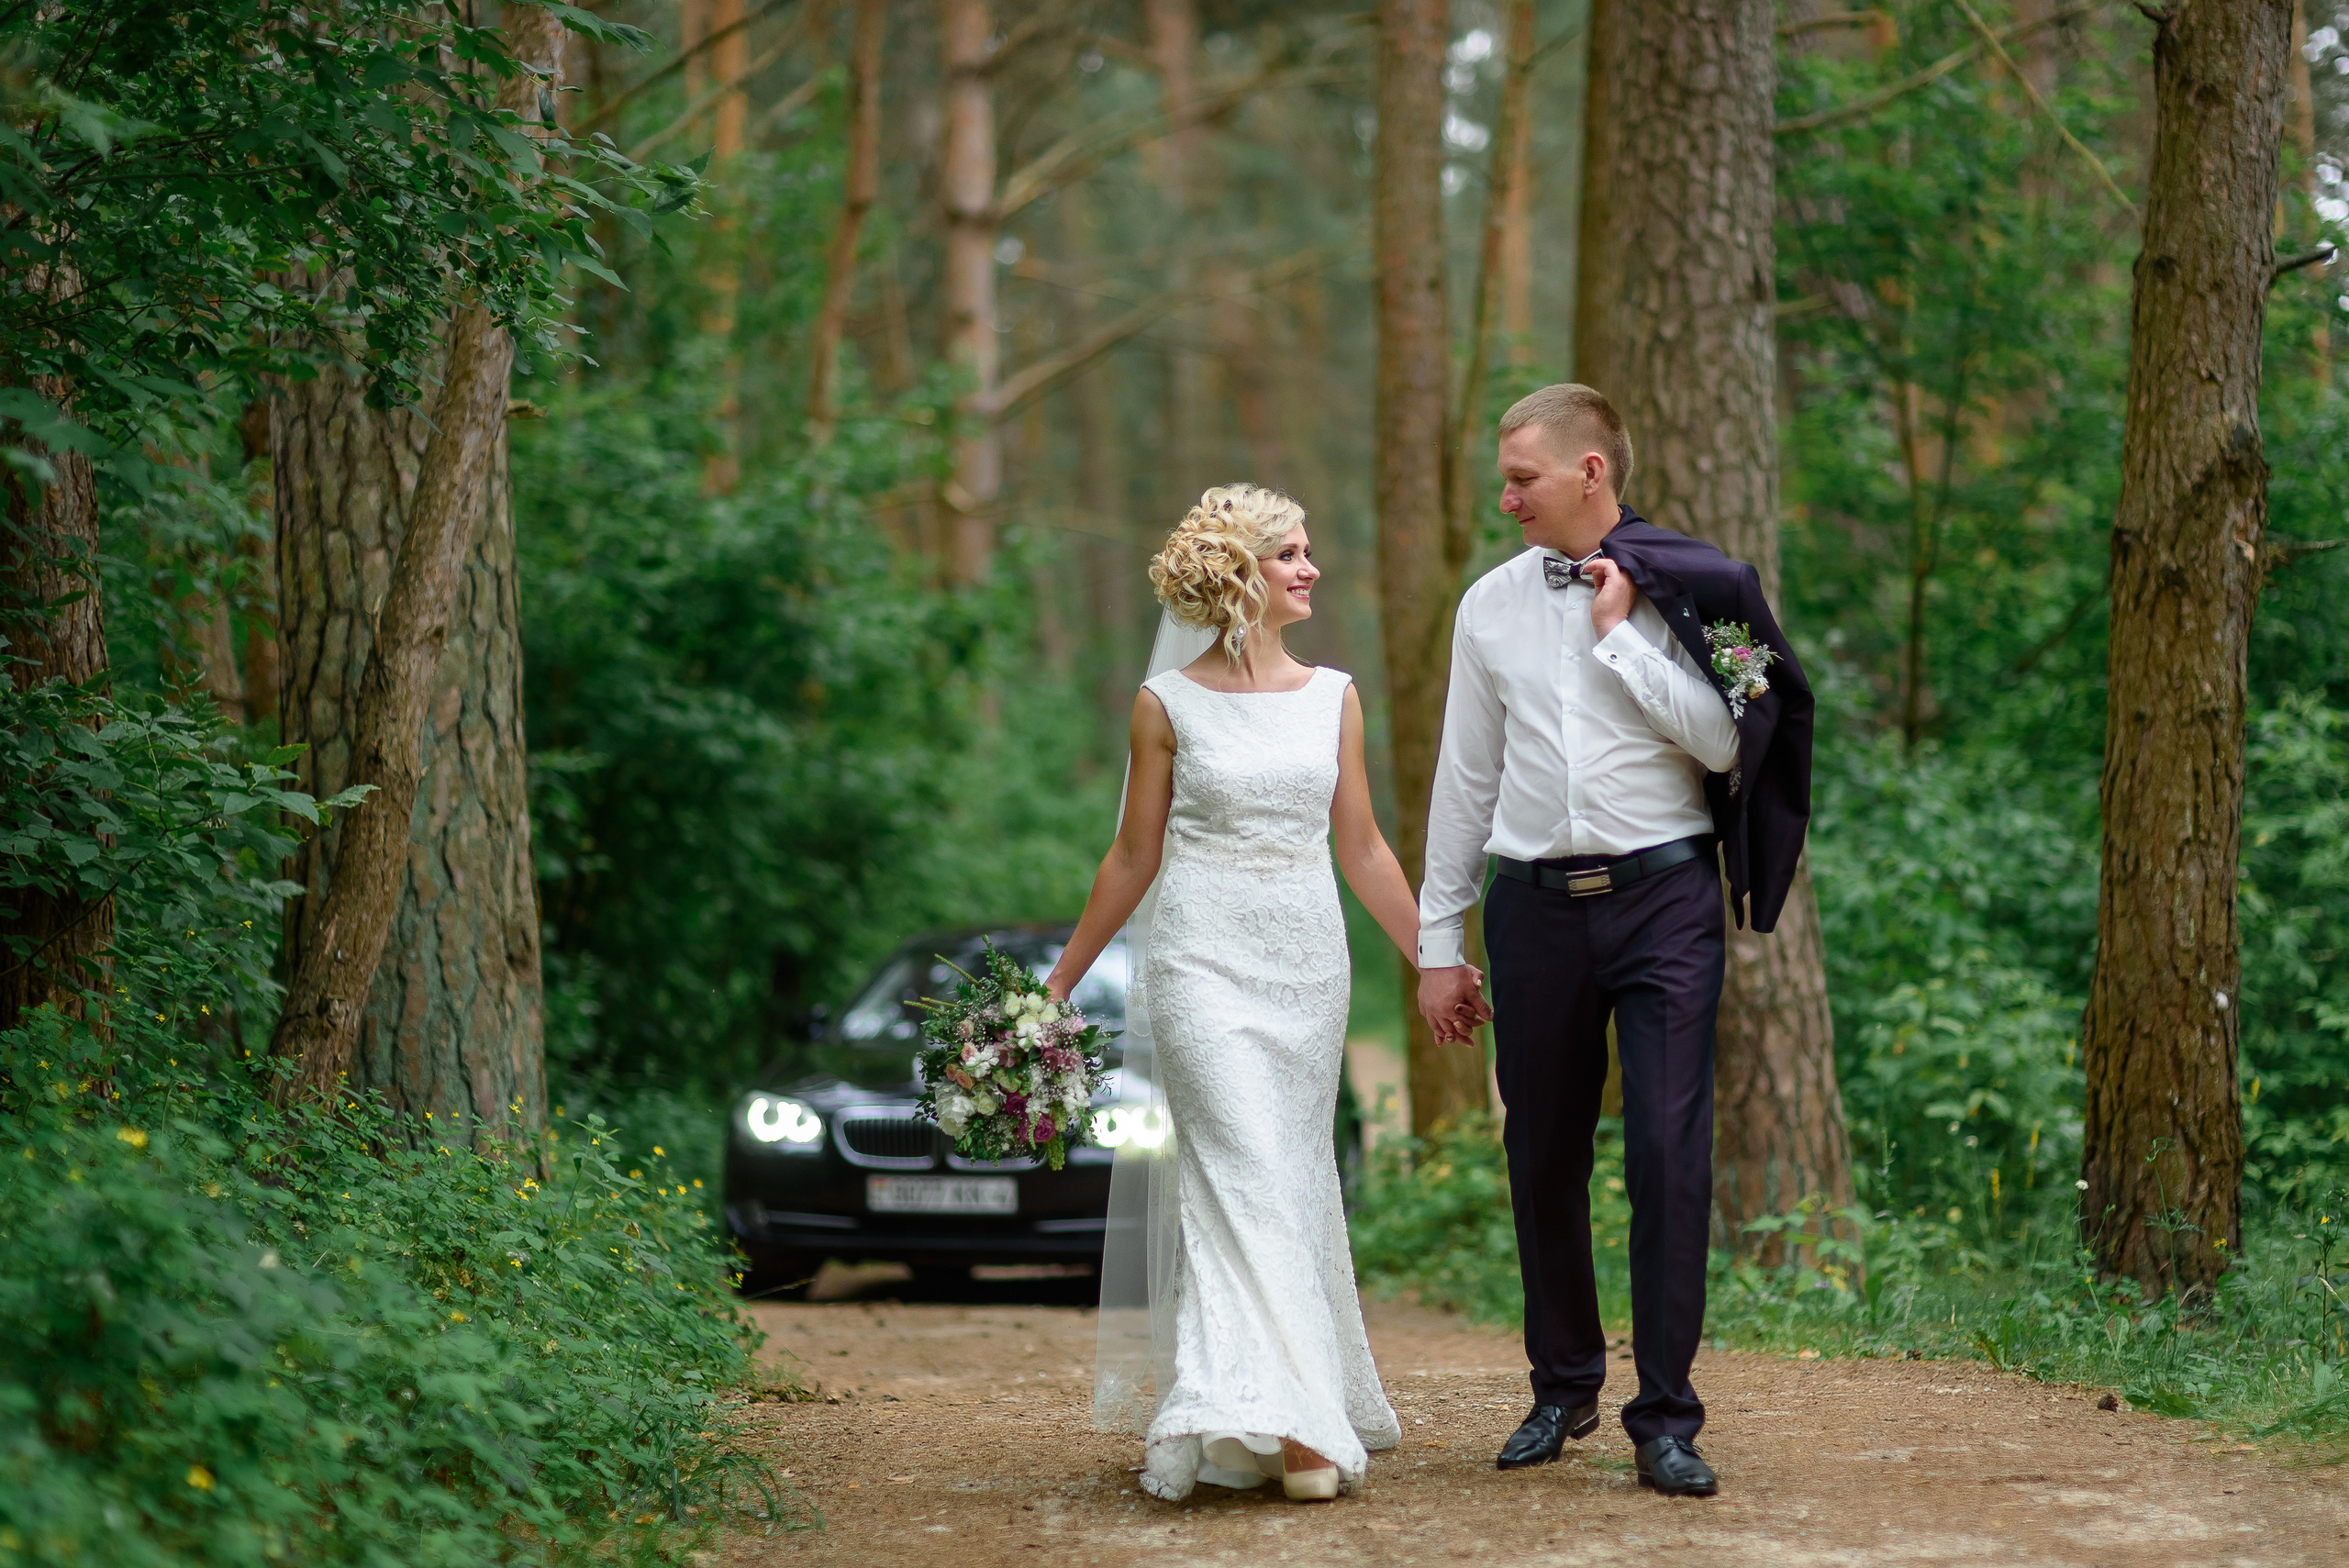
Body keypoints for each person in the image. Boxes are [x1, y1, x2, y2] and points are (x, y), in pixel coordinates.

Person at [1416, 384, 1814, 1499]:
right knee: (1541, 1151)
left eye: (1523, 479)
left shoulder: (1706, 592)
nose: (1506, 499)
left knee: (1668, 1155)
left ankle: (1666, 1417)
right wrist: (1437, 940)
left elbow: (1736, 744)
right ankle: (1561, 1383)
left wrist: (1619, 639)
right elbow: (1464, 777)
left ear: (1591, 471)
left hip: (1665, 901)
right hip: (1533, 907)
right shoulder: (1484, 606)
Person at [1045, 484, 1419, 1503]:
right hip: (1199, 961)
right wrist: (1060, 983)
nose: (1310, 569)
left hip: (1306, 964)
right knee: (1237, 1170)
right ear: (1240, 575)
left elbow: (1363, 845)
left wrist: (1435, 954)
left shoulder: (1332, 692)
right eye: (1290, 553)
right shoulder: (1164, 704)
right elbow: (1132, 854)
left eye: (1308, 551)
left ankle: (1278, 1407)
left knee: (1290, 1174)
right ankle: (1289, 1427)